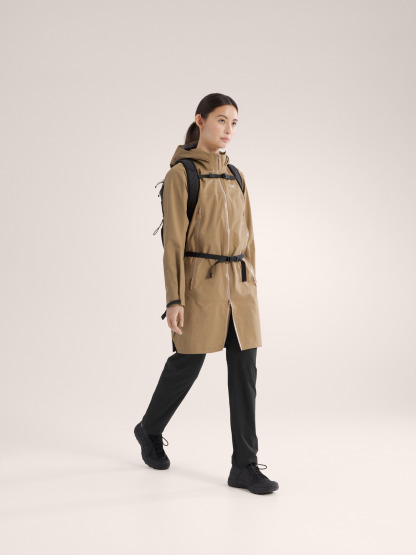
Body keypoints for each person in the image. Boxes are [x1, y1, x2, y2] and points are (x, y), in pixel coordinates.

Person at [134, 93, 279, 495]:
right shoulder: (181, 175)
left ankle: (244, 465)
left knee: (244, 372)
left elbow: (249, 236)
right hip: (201, 285)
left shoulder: (236, 176)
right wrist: (174, 299)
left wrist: (251, 284)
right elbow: (173, 243)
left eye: (234, 123)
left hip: (240, 288)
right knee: (188, 363)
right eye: (221, 120)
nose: (228, 129)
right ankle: (149, 429)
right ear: (200, 121)